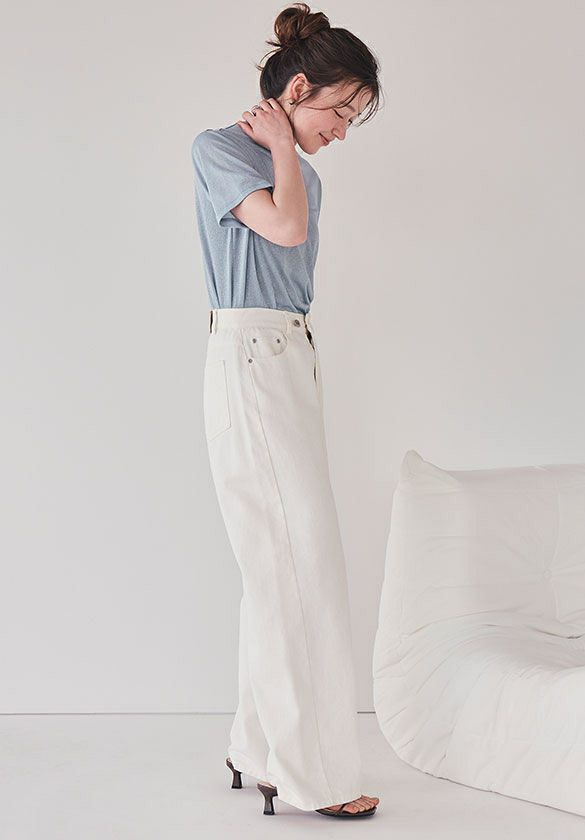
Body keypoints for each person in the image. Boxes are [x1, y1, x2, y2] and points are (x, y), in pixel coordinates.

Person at [191, 2, 383, 819]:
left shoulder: (303, 169)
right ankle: (317, 777)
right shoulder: (219, 149)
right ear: (297, 89)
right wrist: (277, 146)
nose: (342, 130)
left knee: (280, 568)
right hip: (251, 356)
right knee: (299, 571)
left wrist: (288, 151)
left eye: (355, 118)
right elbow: (286, 227)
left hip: (290, 357)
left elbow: (295, 237)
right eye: (341, 110)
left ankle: (258, 746)